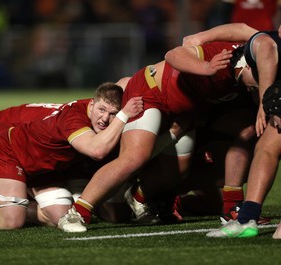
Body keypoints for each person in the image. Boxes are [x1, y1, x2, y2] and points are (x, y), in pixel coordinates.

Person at [62, 39, 261, 229]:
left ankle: (139, 195)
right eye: (259, 76)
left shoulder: (249, 74)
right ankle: (78, 211)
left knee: (178, 172)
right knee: (134, 158)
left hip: (183, 110)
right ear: (249, 65)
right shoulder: (223, 56)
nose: (260, 84)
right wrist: (206, 68)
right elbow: (174, 54)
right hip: (150, 93)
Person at [0, 82, 143, 232]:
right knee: (6, 216)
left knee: (60, 216)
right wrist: (124, 115)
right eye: (103, 110)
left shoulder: (96, 109)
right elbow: (97, 150)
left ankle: (9, 195)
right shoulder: (75, 121)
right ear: (92, 105)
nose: (106, 118)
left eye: (112, 113)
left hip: (41, 163)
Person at [182, 22, 281, 238]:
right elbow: (252, 35)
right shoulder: (255, 49)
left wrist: (265, 102)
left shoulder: (265, 46)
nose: (248, 89)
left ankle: (246, 219)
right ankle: (246, 218)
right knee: (266, 147)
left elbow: (264, 43)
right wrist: (199, 37)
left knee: (266, 147)